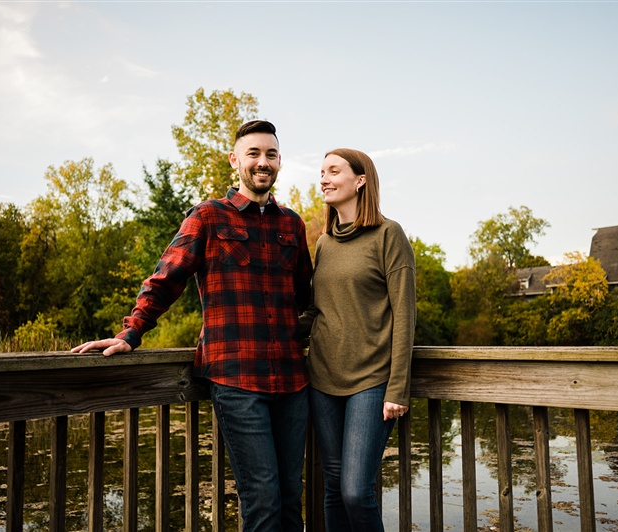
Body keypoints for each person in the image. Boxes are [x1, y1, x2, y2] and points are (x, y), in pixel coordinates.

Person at [72, 120, 313, 532]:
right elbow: (165, 280)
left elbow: (306, 299)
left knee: (292, 498)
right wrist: (131, 333)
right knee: (264, 499)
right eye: (253, 154)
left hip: (292, 380)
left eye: (270, 154)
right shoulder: (207, 217)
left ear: (279, 162)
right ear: (235, 161)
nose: (262, 162)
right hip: (236, 380)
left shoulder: (292, 224)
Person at [300, 148, 416, 531]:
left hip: (371, 381)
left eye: (333, 171)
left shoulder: (389, 235)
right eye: (321, 172)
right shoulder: (324, 243)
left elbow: (404, 314)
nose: (324, 178)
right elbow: (318, 311)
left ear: (360, 180)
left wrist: (397, 386)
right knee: (333, 486)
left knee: (355, 490)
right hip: (322, 379)